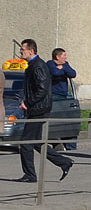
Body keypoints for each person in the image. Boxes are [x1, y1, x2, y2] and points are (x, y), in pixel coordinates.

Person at [14, 39, 73, 183]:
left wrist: (28, 102)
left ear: (31, 51)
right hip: (38, 107)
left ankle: (30, 175)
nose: (21, 52)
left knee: (26, 142)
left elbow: (42, 89)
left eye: (23, 49)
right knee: (37, 142)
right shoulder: (33, 65)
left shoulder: (38, 66)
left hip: (39, 108)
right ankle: (64, 162)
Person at [48, 47, 78, 149]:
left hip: (65, 95)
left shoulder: (65, 64)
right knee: (56, 120)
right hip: (54, 95)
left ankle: (71, 147)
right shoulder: (50, 64)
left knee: (70, 119)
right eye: (64, 55)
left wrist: (63, 68)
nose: (66, 57)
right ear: (57, 56)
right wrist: (62, 71)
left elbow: (73, 73)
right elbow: (55, 73)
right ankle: (57, 142)